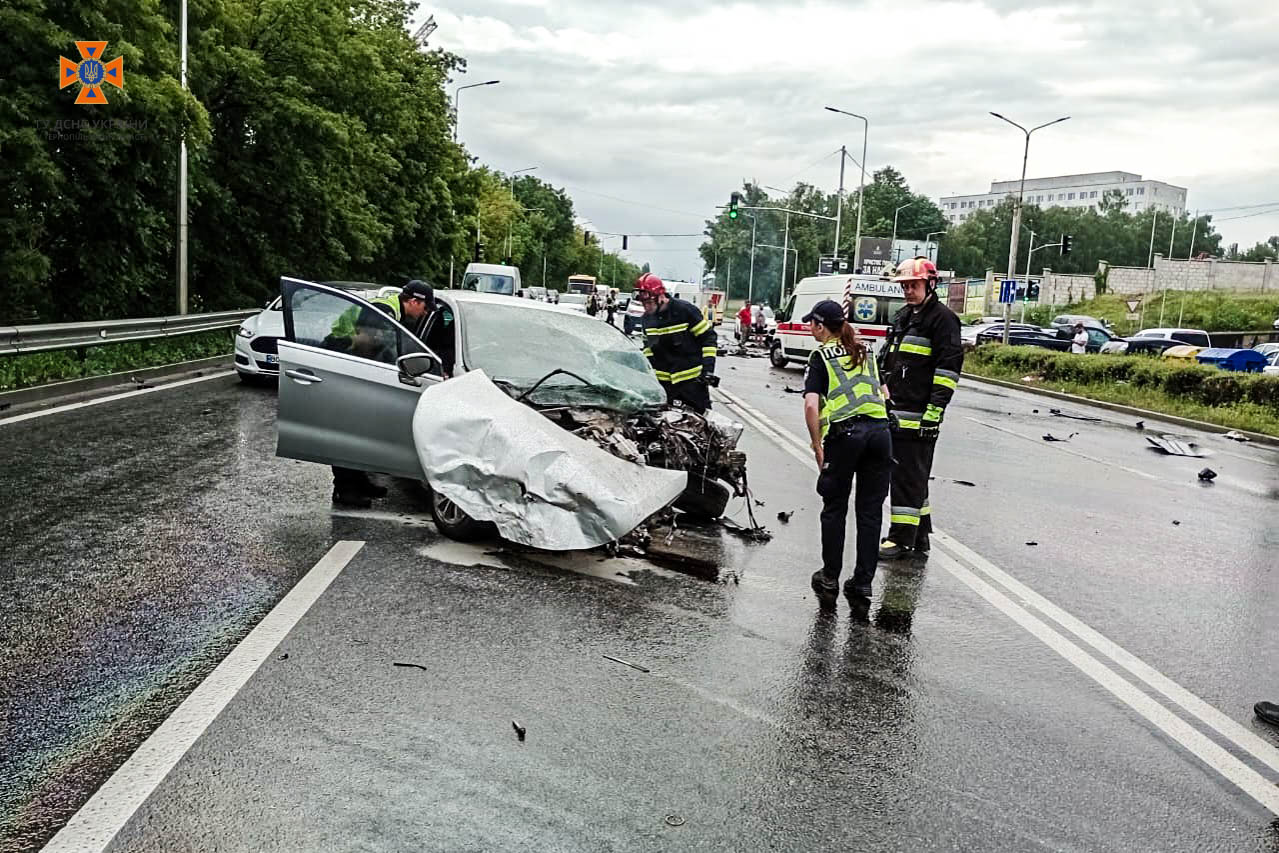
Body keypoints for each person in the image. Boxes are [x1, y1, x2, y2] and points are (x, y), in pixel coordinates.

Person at [328, 279, 454, 507]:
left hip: (350, 362)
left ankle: (358, 481)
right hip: (341, 360)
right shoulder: (386, 310)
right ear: (414, 301)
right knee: (348, 430)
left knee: (360, 431)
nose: (424, 314)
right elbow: (365, 344)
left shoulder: (393, 309)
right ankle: (345, 489)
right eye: (425, 308)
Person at [802, 299, 893, 609]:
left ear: (820, 325)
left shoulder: (820, 356)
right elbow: (885, 394)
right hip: (881, 434)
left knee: (835, 505)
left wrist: (817, 446)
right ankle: (863, 582)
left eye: (811, 324)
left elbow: (812, 406)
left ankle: (830, 576)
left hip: (847, 436)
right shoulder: (865, 350)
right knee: (870, 510)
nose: (809, 329)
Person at [878, 257, 964, 559]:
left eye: (913, 285)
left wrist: (934, 412)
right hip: (896, 411)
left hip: (920, 416)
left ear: (930, 284)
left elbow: (948, 371)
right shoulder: (904, 316)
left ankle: (900, 539)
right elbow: (889, 358)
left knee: (906, 478)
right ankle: (920, 535)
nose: (907, 290)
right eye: (904, 285)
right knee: (912, 477)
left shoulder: (943, 320)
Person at [635, 272, 718, 413]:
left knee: (701, 424)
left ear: (661, 296)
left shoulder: (685, 311)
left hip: (691, 384)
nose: (646, 308)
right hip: (663, 387)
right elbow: (648, 349)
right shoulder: (647, 320)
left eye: (649, 303)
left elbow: (708, 339)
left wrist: (708, 370)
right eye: (643, 304)